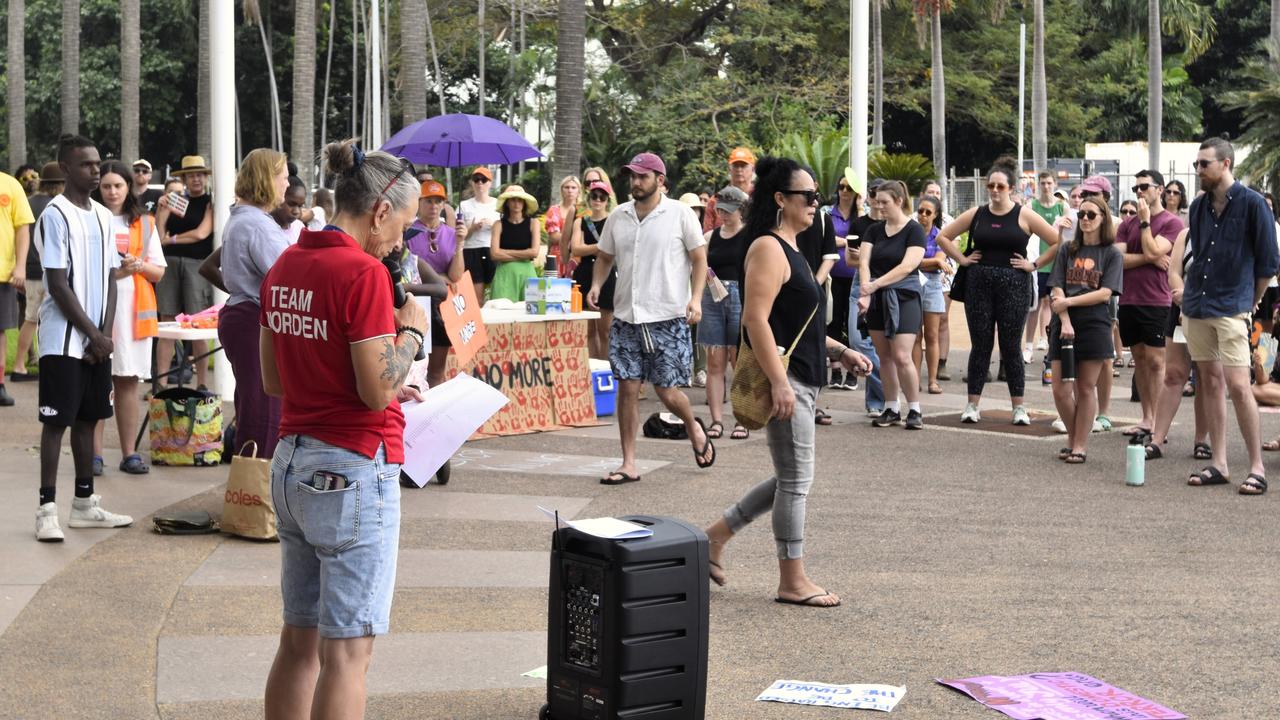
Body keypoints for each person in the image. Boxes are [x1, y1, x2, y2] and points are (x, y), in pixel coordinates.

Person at [260, 140, 427, 719]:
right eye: (403, 225)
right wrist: (411, 337)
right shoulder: (362, 273)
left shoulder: (286, 264)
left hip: (292, 461)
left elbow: (274, 377)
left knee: (299, 640)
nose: (401, 242)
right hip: (353, 466)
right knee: (348, 654)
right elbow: (375, 389)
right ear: (380, 211)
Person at [702, 156, 872, 607]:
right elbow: (756, 320)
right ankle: (791, 580)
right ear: (781, 199)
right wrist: (778, 383)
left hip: (804, 376)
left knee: (790, 477)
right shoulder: (768, 248)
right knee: (796, 481)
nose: (817, 203)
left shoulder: (795, 249)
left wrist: (841, 351)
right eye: (808, 196)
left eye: (817, 196)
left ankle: (713, 539)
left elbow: (798, 320)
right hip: (787, 378)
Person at [588, 152, 713, 485]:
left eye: (642, 176)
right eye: (632, 176)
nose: (635, 182)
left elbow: (699, 259)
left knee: (667, 392)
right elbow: (603, 256)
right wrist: (597, 284)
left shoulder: (681, 214)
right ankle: (629, 463)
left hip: (668, 316)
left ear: (660, 180)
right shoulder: (619, 215)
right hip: (627, 316)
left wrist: (696, 298)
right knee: (627, 388)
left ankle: (692, 426)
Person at [32, 134, 133, 542]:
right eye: (88, 165)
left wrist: (104, 335)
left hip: (96, 343)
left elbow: (111, 277)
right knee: (56, 422)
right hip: (63, 340)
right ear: (67, 169)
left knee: (90, 418)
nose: (97, 170)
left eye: (98, 163)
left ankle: (85, 504)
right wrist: (91, 334)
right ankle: (46, 509)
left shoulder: (103, 217)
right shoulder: (55, 215)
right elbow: (57, 284)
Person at [1176, 137, 1279, 495]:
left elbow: (1268, 262)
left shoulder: (1253, 204)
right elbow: (1199, 254)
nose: (1198, 170)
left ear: (1226, 163)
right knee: (1210, 382)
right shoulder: (1198, 207)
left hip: (1232, 307)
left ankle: (1256, 467)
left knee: (1239, 385)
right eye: (1197, 164)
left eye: (1204, 164)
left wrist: (1251, 300)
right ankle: (1219, 462)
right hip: (1197, 305)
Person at [936, 158, 1065, 425]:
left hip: (1014, 285)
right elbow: (943, 237)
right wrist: (962, 259)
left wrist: (1033, 265)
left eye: (1000, 187)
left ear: (1011, 189)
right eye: (991, 186)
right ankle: (972, 405)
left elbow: (1056, 242)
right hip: (979, 284)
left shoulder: (1024, 214)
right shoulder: (977, 213)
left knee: (1010, 346)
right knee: (980, 345)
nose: (995, 191)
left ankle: (1018, 407)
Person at [86, 160, 166, 475]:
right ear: (98, 188)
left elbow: (158, 271)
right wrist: (115, 272)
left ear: (127, 187)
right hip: (99, 311)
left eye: (118, 185)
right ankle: (93, 454)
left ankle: (129, 453)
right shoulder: (89, 219)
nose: (112, 192)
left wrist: (138, 267)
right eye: (106, 186)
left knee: (127, 381)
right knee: (96, 382)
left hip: (133, 315)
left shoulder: (144, 223)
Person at [217, 149, 291, 461]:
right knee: (263, 410)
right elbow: (287, 275)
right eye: (284, 177)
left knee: (253, 405)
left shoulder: (243, 219)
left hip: (241, 315)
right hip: (252, 319)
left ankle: (248, 489)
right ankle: (255, 490)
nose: (287, 185)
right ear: (268, 179)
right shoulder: (257, 224)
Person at [1046, 196, 1124, 464]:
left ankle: (1079, 444)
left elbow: (1105, 293)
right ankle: (1073, 437)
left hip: (1094, 321)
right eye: (1082, 215)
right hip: (1063, 320)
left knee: (1086, 386)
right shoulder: (1068, 249)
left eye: (1092, 215)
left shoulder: (1111, 253)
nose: (1086, 220)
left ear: (1103, 218)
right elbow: (1056, 285)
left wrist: (1069, 301)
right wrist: (1065, 316)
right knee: (1059, 388)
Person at [1115, 170, 1183, 437]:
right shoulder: (1125, 225)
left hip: (1157, 299)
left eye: (1144, 186)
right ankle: (1147, 417)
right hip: (1129, 298)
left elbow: (1156, 249)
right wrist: (1151, 257)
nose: (1139, 191)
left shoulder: (1171, 223)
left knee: (1157, 361)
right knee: (1140, 359)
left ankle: (1158, 423)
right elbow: (1119, 260)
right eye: (1136, 188)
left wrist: (1145, 224)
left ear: (1160, 189)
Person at [858, 180, 927, 429]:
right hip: (877, 297)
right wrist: (866, 291)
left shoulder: (914, 230)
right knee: (883, 356)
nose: (879, 206)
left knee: (901, 355)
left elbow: (908, 266)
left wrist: (874, 286)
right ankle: (891, 406)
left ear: (899, 200)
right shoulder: (874, 231)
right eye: (877, 202)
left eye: (884, 202)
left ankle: (915, 408)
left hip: (904, 295)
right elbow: (864, 262)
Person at [1145, 227, 1212, 462]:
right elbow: (1174, 272)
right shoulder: (1187, 234)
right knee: (1173, 373)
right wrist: (1184, 300)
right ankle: (1157, 438)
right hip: (1182, 305)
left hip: (1214, 309)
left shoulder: (1230, 231)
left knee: (1205, 377)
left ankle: (1201, 440)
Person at [155, 155, 215, 389]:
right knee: (167, 321)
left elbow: (202, 233)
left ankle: (202, 383)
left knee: (198, 322)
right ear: (185, 178)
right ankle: (160, 382)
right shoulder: (176, 200)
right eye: (191, 175)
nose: (196, 178)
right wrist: (162, 210)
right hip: (170, 263)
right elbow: (159, 235)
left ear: (205, 177)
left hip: (196, 264)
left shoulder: (210, 202)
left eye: (199, 174)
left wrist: (173, 239)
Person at [698, 185, 750, 441]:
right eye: (720, 211)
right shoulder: (710, 237)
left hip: (742, 295)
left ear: (741, 211)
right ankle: (717, 419)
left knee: (738, 360)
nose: (724, 216)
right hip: (713, 295)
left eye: (729, 211)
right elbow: (700, 267)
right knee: (714, 361)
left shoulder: (751, 236)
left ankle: (742, 418)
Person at [405, 179, 467, 389]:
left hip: (443, 306)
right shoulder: (408, 232)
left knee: (437, 372)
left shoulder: (451, 233)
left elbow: (456, 276)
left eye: (438, 201)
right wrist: (441, 277)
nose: (433, 206)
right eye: (428, 201)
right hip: (416, 304)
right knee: (415, 370)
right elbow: (409, 270)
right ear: (419, 202)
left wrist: (460, 245)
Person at [11, 162, 65, 382]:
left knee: (31, 319)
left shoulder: (29, 202)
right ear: (61, 184)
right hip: (49, 270)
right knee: (42, 319)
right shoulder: (59, 205)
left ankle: (22, 365)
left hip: (30, 269)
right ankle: (21, 366)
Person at [847, 177, 886, 415]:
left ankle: (876, 402)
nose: (878, 201)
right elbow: (851, 259)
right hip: (860, 284)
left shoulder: (896, 225)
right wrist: (865, 258)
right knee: (858, 341)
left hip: (886, 283)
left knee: (884, 346)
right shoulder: (859, 225)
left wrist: (867, 255)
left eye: (882, 196)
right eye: (873, 194)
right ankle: (890, 390)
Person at [569, 180, 616, 360]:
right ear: (589, 198)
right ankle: (591, 370)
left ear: (607, 200)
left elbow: (612, 250)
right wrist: (600, 246)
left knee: (605, 330)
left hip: (606, 272)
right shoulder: (581, 221)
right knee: (588, 330)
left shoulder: (612, 220)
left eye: (602, 197)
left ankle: (605, 370)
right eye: (594, 196)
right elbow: (576, 249)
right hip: (585, 272)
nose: (598, 200)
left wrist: (592, 247)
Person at [0, 169, 35, 406]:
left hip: (2, 273)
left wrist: (20, 266)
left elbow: (22, 227)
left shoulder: (10, 184)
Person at [1024, 172, 1066, 363]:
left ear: (1054, 184)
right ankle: (1028, 347)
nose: (1046, 186)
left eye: (1049, 183)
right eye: (1043, 183)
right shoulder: (1032, 206)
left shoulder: (1061, 206)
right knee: (1034, 306)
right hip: (1037, 263)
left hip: (1057, 265)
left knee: (1054, 304)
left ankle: (1050, 344)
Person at [826, 171, 860, 389]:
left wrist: (842, 242)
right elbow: (826, 239)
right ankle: (836, 370)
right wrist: (847, 242)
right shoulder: (828, 214)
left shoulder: (861, 216)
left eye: (849, 187)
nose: (845, 192)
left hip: (855, 278)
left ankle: (853, 372)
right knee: (834, 322)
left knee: (854, 327)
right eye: (841, 187)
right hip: (834, 276)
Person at [915, 195, 950, 394]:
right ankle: (915, 379)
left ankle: (933, 381)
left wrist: (935, 261)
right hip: (913, 282)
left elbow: (940, 257)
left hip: (933, 285)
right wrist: (935, 262)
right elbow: (911, 261)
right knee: (915, 335)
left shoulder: (939, 235)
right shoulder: (911, 232)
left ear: (935, 215)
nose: (923, 216)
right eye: (920, 211)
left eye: (928, 212)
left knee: (931, 334)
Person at [488, 185, 541, 303]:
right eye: (512, 199)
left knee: (531, 310)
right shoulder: (498, 224)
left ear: (524, 203)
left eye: (520, 200)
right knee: (501, 312)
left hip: (527, 273)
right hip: (505, 275)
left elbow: (534, 252)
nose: (516, 203)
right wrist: (524, 254)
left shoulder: (534, 223)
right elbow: (494, 254)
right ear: (507, 203)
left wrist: (505, 252)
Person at [460, 166, 500, 305]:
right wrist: (472, 228)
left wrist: (494, 225)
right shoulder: (463, 205)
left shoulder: (498, 204)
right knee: (476, 297)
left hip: (492, 250)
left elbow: (505, 231)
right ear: (472, 182)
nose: (480, 183)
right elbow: (459, 236)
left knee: (495, 296)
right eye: (476, 180)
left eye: (483, 180)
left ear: (490, 182)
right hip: (471, 251)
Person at [703, 146, 755, 233]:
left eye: (743, 165)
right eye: (735, 165)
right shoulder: (715, 200)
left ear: (753, 169)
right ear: (729, 169)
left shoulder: (762, 197)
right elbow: (707, 234)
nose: (739, 169)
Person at [545, 175, 580, 278]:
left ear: (579, 191)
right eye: (567, 187)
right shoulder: (554, 210)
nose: (570, 190)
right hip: (557, 257)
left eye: (573, 188)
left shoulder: (583, 210)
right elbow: (554, 237)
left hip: (576, 256)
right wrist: (576, 239)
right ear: (562, 190)